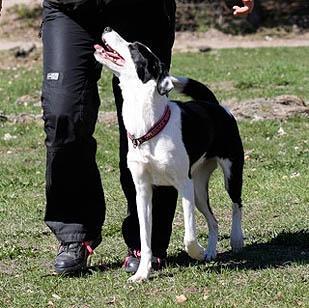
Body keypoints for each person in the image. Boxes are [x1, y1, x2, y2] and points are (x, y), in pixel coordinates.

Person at [0, 0, 254, 275]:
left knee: (152, 125)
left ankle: (147, 245)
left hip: (143, 10)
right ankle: (74, 234)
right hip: (70, 9)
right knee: (64, 114)